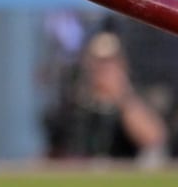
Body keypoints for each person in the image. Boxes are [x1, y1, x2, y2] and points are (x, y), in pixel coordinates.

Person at [45, 30, 166, 162]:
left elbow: (154, 139)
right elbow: (57, 150)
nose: (103, 68)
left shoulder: (136, 99)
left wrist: (122, 96)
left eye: (110, 62)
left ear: (122, 64)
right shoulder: (75, 105)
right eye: (98, 62)